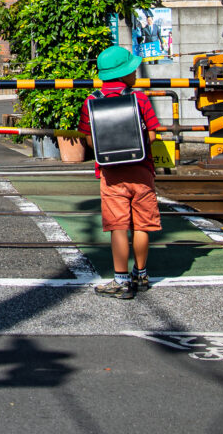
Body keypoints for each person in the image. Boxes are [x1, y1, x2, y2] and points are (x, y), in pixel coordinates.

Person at [78, 44, 164, 299]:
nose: (136, 71)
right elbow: (153, 133)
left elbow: (88, 138)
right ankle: (142, 273)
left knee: (118, 226)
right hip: (142, 171)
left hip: (111, 173)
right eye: (132, 68)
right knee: (142, 225)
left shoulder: (91, 101)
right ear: (123, 74)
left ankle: (120, 280)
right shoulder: (140, 99)